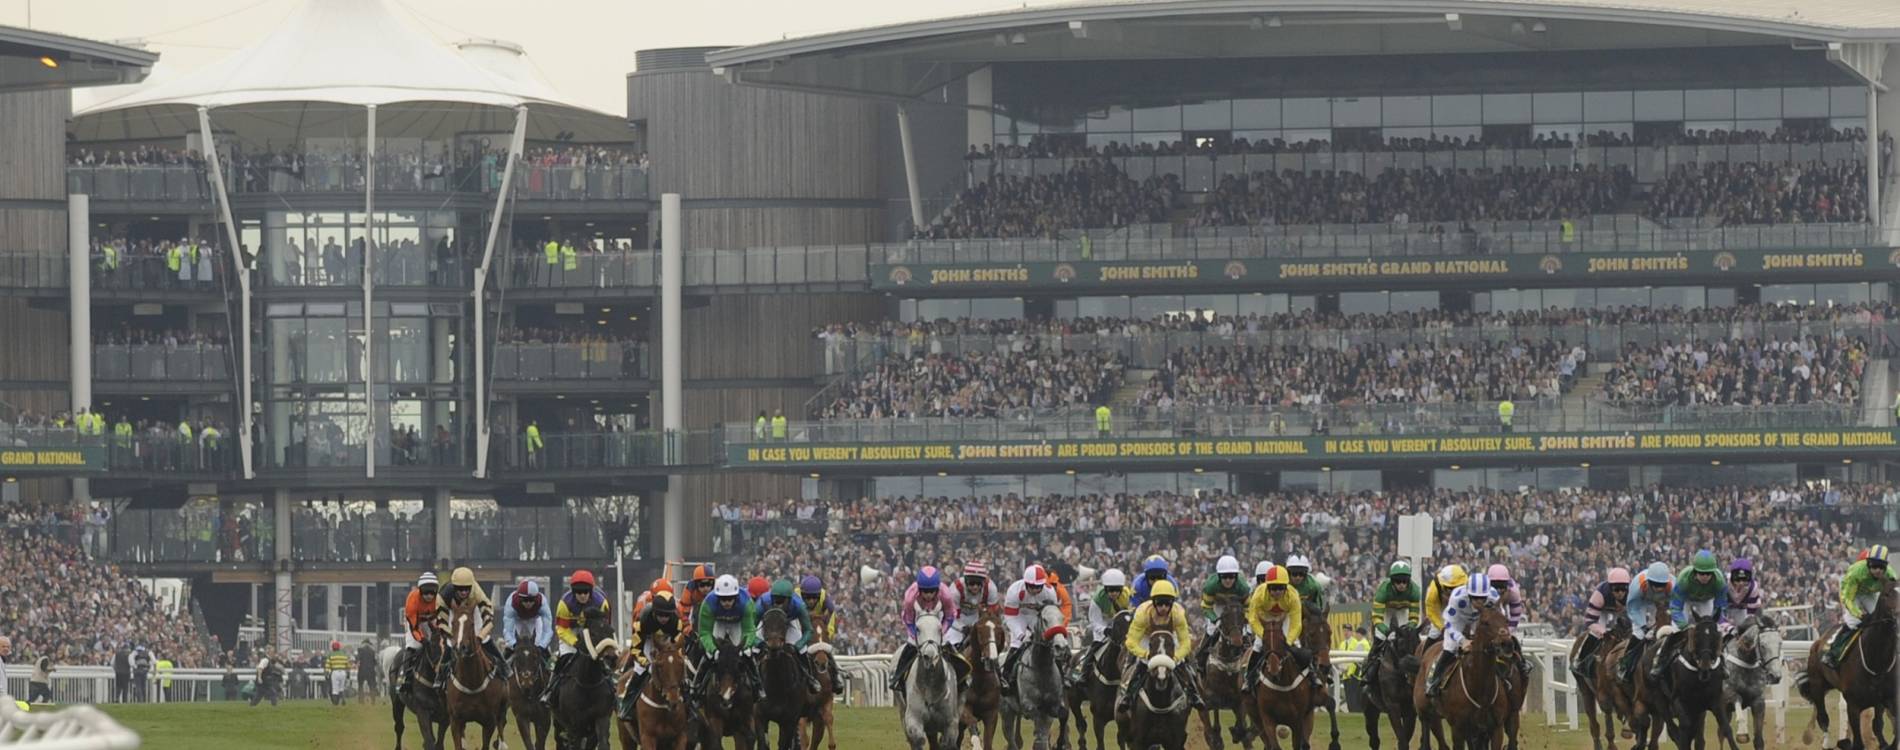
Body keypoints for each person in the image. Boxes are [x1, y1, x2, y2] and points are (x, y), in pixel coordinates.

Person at [1118, 579, 1203, 714]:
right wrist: (1145, 654)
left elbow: (1185, 643)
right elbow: (1131, 641)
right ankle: (1128, 696)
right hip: (1146, 636)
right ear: (1153, 602)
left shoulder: (1178, 613)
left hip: (1170, 634)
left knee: (1181, 663)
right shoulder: (1143, 613)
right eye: (1160, 603)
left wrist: (1175, 658)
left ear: (1172, 603)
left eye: (1167, 603)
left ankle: (1193, 694)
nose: (1163, 607)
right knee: (1142, 663)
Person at [1649, 550, 1729, 683]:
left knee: (1716, 631)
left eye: (1708, 573)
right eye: (1701, 573)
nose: (1705, 576)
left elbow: (1720, 606)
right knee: (1675, 632)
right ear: (1695, 571)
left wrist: (1716, 623)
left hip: (1706, 601)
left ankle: (1723, 663)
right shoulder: (1683, 579)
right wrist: (1684, 626)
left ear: (1713, 572)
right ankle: (1660, 662)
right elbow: (1675, 607)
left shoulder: (1720, 580)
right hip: (1686, 601)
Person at [890, 566, 962, 694]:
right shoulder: (910, 596)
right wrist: (915, 635)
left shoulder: (945, 594)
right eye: (925, 591)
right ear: (919, 589)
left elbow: (950, 616)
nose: (928, 595)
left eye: (932, 591)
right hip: (918, 620)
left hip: (937, 620)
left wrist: (941, 632)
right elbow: (908, 620)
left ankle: (961, 678)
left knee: (948, 646)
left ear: (937, 589)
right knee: (911, 645)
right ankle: (898, 677)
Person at [542, 569, 610, 708]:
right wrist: (575, 642)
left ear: (591, 591)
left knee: (604, 661)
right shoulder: (564, 604)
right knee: (563, 659)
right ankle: (549, 692)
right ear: (573, 592)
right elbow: (561, 628)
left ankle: (613, 690)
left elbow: (605, 627)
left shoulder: (602, 603)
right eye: (579, 592)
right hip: (570, 632)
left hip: (592, 632)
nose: (583, 595)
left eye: (586, 592)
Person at [1425, 577, 1500, 698]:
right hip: (1457, 619)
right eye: (1475, 598)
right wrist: (1462, 640)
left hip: (1479, 618)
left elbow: (1498, 618)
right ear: (1469, 595)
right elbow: (1448, 623)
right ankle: (1433, 682)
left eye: (1483, 598)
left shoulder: (1494, 597)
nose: (1479, 602)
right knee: (1450, 649)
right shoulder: (1457, 598)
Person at [693, 574, 762, 702]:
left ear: (736, 597)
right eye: (723, 599)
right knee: (708, 655)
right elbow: (705, 633)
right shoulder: (708, 603)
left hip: (738, 624)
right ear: (717, 597)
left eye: (730, 599)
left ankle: (758, 685)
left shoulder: (746, 603)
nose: (726, 603)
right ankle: (697, 685)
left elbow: (749, 630)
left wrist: (744, 647)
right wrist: (714, 650)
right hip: (718, 623)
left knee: (747, 654)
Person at [1824, 545, 1895, 668]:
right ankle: (1832, 652)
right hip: (1852, 594)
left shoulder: (1891, 575)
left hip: (1870, 593)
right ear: (1868, 564)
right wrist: (1859, 614)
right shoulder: (1856, 573)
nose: (1878, 570)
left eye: (1881, 567)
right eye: (1874, 566)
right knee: (1854, 622)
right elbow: (1848, 599)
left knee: (1882, 618)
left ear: (1886, 567)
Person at [620, 589, 684, 720]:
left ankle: (691, 705)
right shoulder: (642, 621)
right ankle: (626, 706)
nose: (664, 618)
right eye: (661, 615)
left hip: (667, 646)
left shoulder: (677, 623)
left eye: (667, 615)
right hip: (647, 643)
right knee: (638, 673)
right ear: (654, 612)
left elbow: (678, 647)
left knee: (681, 675)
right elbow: (635, 649)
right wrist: (647, 663)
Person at [1244, 564, 1312, 687]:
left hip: (1284, 617)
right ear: (1267, 587)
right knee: (1258, 645)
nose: (1277, 592)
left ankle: (1312, 678)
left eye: (1281, 588)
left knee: (1296, 644)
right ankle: (1248, 679)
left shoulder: (1293, 595)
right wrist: (1264, 635)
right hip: (1265, 617)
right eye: (1274, 588)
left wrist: (1289, 641)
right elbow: (1252, 619)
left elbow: (1296, 624)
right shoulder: (1259, 594)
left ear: (1286, 587)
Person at [999, 564, 1063, 691]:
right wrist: (1020, 634)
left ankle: (1062, 676)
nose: (1035, 590)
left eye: (1038, 587)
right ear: (1026, 583)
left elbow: (1051, 613)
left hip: (1037, 617)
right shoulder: (1014, 590)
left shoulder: (1049, 592)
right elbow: (1010, 616)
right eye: (1032, 587)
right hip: (1018, 617)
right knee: (1017, 643)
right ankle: (1006, 678)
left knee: (1051, 643)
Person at [755, 578, 823, 695]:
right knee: (753, 650)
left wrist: (797, 646)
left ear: (790, 600)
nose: (778, 604)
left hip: (789, 623)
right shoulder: (762, 603)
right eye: (776, 600)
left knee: (802, 650)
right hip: (768, 623)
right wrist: (758, 643)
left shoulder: (799, 606)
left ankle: (809, 678)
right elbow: (750, 630)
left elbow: (808, 630)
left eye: (782, 601)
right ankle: (753, 679)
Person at [1363, 560, 1421, 686]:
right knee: (1380, 637)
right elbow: (1377, 617)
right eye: (1398, 581)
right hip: (1386, 612)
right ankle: (1369, 671)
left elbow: (1414, 618)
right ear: (1392, 581)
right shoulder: (1383, 590)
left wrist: (1408, 629)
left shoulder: (1415, 591)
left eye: (1404, 581)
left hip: (1402, 611)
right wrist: (1387, 631)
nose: (1401, 585)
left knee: (1409, 638)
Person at [442, 567, 508, 677]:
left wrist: (481, 636)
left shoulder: (477, 592)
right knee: (450, 642)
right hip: (454, 612)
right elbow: (440, 614)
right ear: (454, 587)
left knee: (485, 639)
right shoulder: (446, 593)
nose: (463, 592)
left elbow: (488, 615)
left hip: (473, 611)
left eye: (466, 589)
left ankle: (504, 666)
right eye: (460, 589)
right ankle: (440, 676)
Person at [1071, 567, 1130, 687]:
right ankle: (1082, 673)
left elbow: (1128, 615)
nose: (1114, 593)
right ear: (1105, 589)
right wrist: (1105, 630)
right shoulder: (1097, 599)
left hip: (1119, 626)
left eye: (1117, 590)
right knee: (1094, 648)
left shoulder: (1127, 595)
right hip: (1102, 627)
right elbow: (1094, 621)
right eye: (1110, 590)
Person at [1726, 557, 1780, 682]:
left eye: (1744, 580)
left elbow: (1751, 615)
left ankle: (1760, 672)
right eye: (1737, 579)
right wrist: (1729, 627)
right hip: (1724, 611)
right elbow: (1718, 612)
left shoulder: (1753, 587)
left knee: (1753, 635)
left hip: (1742, 611)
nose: (1740, 583)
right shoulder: (1723, 584)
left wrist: (1741, 630)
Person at [1619, 562, 1674, 682]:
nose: (1659, 588)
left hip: (1663, 604)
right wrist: (1644, 627)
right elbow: (1633, 608)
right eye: (1655, 584)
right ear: (1649, 581)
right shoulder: (1637, 586)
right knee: (1639, 634)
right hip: (1641, 603)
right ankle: (1626, 665)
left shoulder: (1674, 585)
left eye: (1661, 585)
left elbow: (1678, 606)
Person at [1573, 567, 1632, 678]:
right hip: (1603, 609)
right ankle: (1580, 659)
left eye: (1623, 589)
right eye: (1616, 589)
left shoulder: (1632, 593)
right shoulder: (1599, 595)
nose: (1620, 593)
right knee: (1596, 633)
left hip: (1622, 610)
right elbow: (1590, 621)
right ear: (1610, 588)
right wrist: (1603, 632)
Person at [1196, 555, 1252, 664]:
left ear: (1236, 576)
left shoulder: (1243, 587)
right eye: (1224, 577)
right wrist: (1215, 619)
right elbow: (1206, 607)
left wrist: (1244, 618)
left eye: (1231, 577)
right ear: (1219, 576)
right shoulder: (1210, 586)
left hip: (1237, 608)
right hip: (1217, 607)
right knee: (1211, 630)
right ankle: (1201, 658)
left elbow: (1249, 607)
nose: (1228, 580)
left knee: (1245, 632)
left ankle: (1248, 657)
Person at [1485, 563, 1534, 678]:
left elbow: (1515, 615)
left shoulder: (1514, 592)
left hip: (1506, 609)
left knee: (1512, 639)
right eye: (1495, 585)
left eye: (1502, 586)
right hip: (1488, 611)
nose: (1498, 590)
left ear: (1507, 584)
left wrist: (1509, 632)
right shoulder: (1482, 590)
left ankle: (1522, 664)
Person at [400, 572, 442, 695]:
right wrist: (422, 639)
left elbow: (441, 619)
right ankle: (406, 678)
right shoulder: (412, 599)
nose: (429, 596)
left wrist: (437, 633)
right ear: (420, 590)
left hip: (431, 621)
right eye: (426, 592)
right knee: (413, 646)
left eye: (432, 592)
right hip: (415, 624)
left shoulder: (439, 600)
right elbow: (414, 626)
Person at [951, 560, 1004, 647]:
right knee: (952, 641)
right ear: (966, 580)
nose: (975, 587)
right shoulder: (956, 590)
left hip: (977, 617)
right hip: (958, 618)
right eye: (972, 583)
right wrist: (962, 628)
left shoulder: (991, 588)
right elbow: (951, 616)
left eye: (978, 583)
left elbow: (992, 615)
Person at [503, 580, 555, 660]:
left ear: (536, 598)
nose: (528, 603)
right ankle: (502, 669)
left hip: (534, 619)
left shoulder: (543, 603)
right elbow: (508, 631)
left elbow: (547, 631)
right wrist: (513, 644)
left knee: (543, 646)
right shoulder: (511, 603)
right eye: (525, 600)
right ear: (519, 598)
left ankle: (552, 669)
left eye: (531, 600)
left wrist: (541, 646)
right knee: (508, 646)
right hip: (517, 619)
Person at [1421, 564, 1467, 643]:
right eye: (1450, 589)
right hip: (1440, 607)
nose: (1454, 592)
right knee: (1435, 632)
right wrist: (1442, 627)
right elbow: (1431, 612)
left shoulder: (1467, 583)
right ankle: (1423, 652)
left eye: (1457, 588)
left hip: (1459, 607)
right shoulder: (1433, 590)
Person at [801, 575, 843, 649]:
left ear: (819, 595)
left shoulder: (826, 600)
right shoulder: (796, 597)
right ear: (802, 594)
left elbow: (831, 613)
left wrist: (826, 633)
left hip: (819, 624)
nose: (811, 601)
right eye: (808, 597)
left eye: (814, 597)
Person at [680, 564, 717, 629]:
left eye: (708, 584)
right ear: (696, 584)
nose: (706, 588)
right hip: (697, 612)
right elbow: (683, 609)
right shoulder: (690, 589)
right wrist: (686, 626)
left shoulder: (717, 589)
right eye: (702, 585)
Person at [325, 641, 351, 706]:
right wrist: (348, 673)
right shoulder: (344, 654)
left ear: (333, 648)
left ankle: (335, 703)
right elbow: (348, 665)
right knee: (341, 688)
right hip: (343, 672)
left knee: (335, 689)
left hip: (335, 672)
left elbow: (327, 665)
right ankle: (343, 699)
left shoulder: (331, 654)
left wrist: (326, 673)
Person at [355, 639, 379, 704]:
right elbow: (376, 662)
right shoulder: (373, 651)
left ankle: (361, 700)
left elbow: (357, 659)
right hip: (371, 671)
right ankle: (373, 701)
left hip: (362, 670)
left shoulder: (360, 650)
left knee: (360, 685)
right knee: (372, 686)